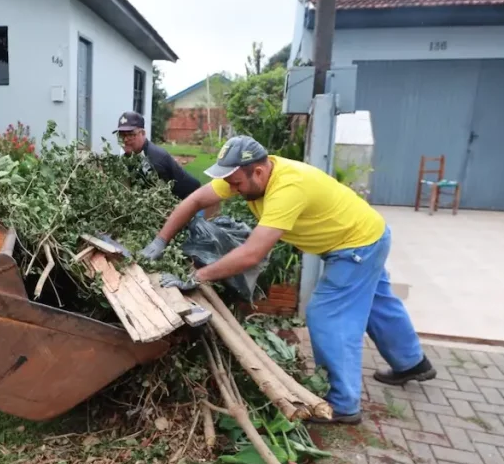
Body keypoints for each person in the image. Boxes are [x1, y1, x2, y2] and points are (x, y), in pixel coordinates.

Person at [139, 135, 436, 424]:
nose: (233, 190)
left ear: (258, 171)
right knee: (376, 303)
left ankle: (344, 405)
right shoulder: (245, 174)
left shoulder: (287, 188)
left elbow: (251, 254)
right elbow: (194, 200)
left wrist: (196, 276)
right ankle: (412, 363)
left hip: (357, 246)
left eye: (237, 184)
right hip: (365, 235)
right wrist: (160, 241)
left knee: (327, 314)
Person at [115, 111, 201, 201]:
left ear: (143, 133)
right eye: (121, 135)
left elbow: (161, 198)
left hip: (189, 199)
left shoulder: (155, 160)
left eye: (130, 135)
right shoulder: (129, 155)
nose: (125, 140)